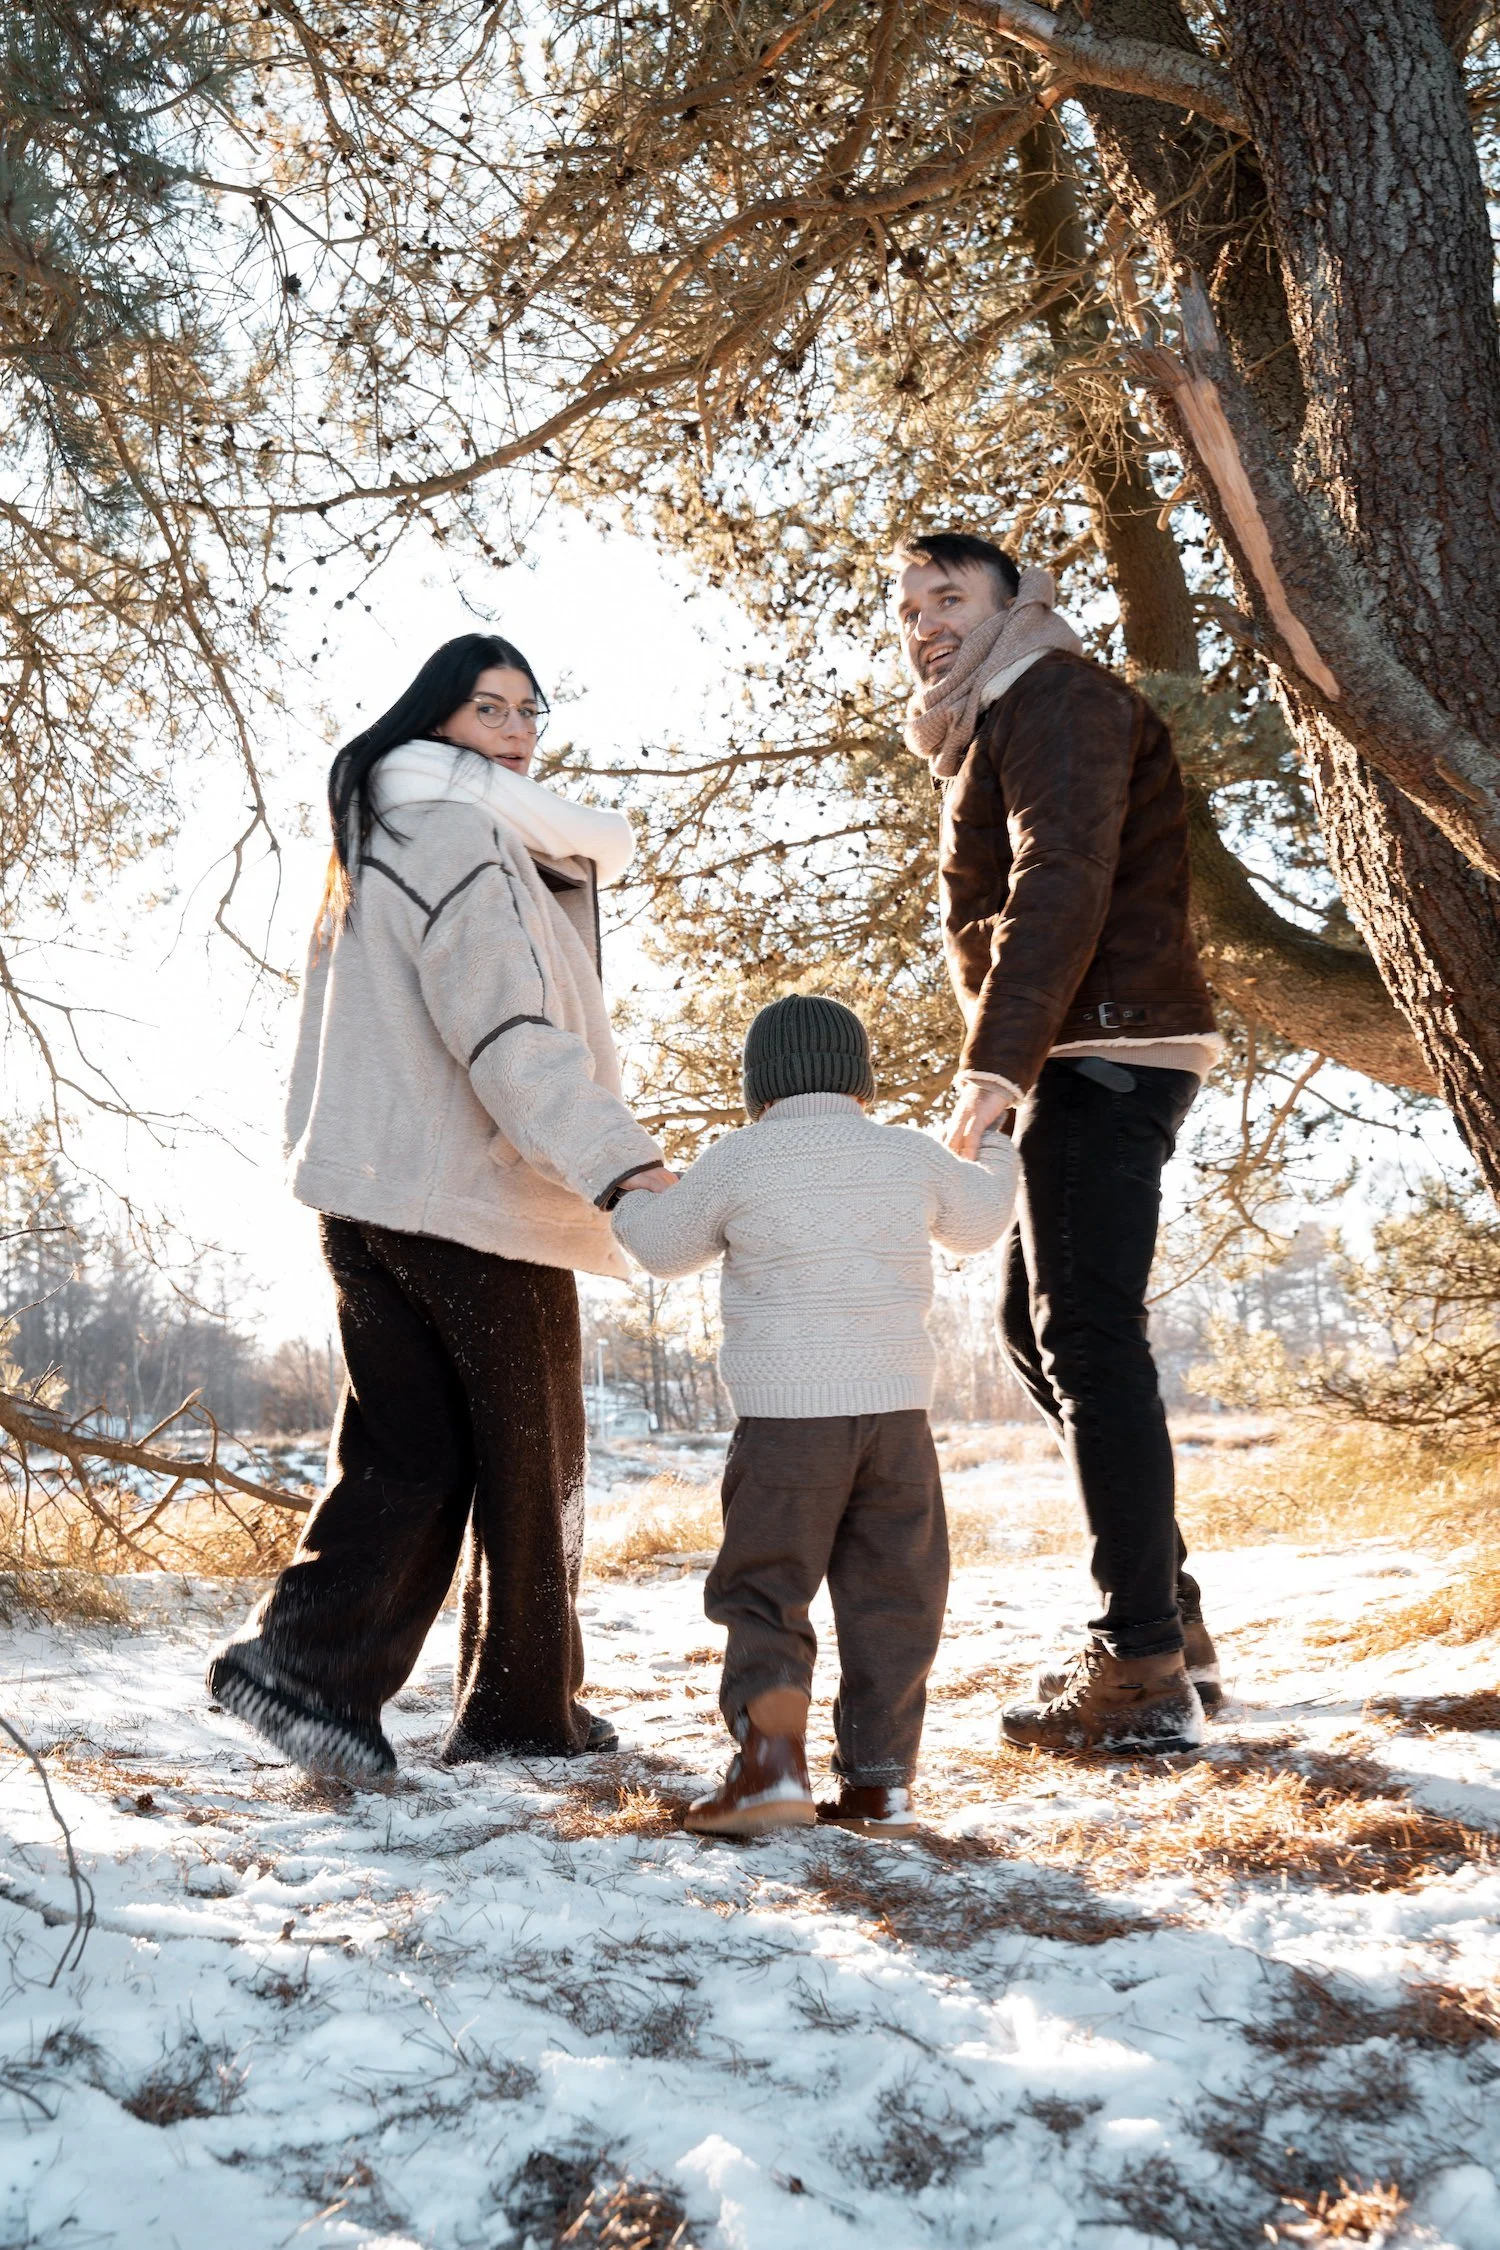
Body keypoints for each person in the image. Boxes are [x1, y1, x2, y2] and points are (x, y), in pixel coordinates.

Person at [207, 633, 674, 1781]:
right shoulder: (464, 835)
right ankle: (521, 1712)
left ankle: (306, 1672)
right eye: (487, 711)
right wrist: (620, 1164)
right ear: (435, 722)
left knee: (409, 1452)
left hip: (364, 1192)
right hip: (472, 1201)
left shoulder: (378, 834)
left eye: (529, 710)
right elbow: (508, 1033)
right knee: (534, 1462)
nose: (515, 733)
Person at [895, 531, 1222, 1755]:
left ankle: (1138, 1665)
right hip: (1086, 1044)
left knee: (1086, 1335)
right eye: (911, 605)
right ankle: (1168, 1624)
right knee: (1040, 1334)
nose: (927, 621)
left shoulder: (1058, 695)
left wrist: (997, 1058)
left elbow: (1063, 877)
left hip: (1102, 1044)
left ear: (1015, 602)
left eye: (951, 596)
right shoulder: (995, 715)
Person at [612, 994, 1017, 1838]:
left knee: (767, 1589)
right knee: (895, 1596)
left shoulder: (739, 1158)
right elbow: (981, 1222)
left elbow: (660, 1249)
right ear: (860, 1078)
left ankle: (769, 1772)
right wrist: (999, 1140)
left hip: (787, 1422)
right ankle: (879, 1786)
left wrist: (629, 1189)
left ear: (758, 1084)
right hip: (898, 1421)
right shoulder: (905, 1154)